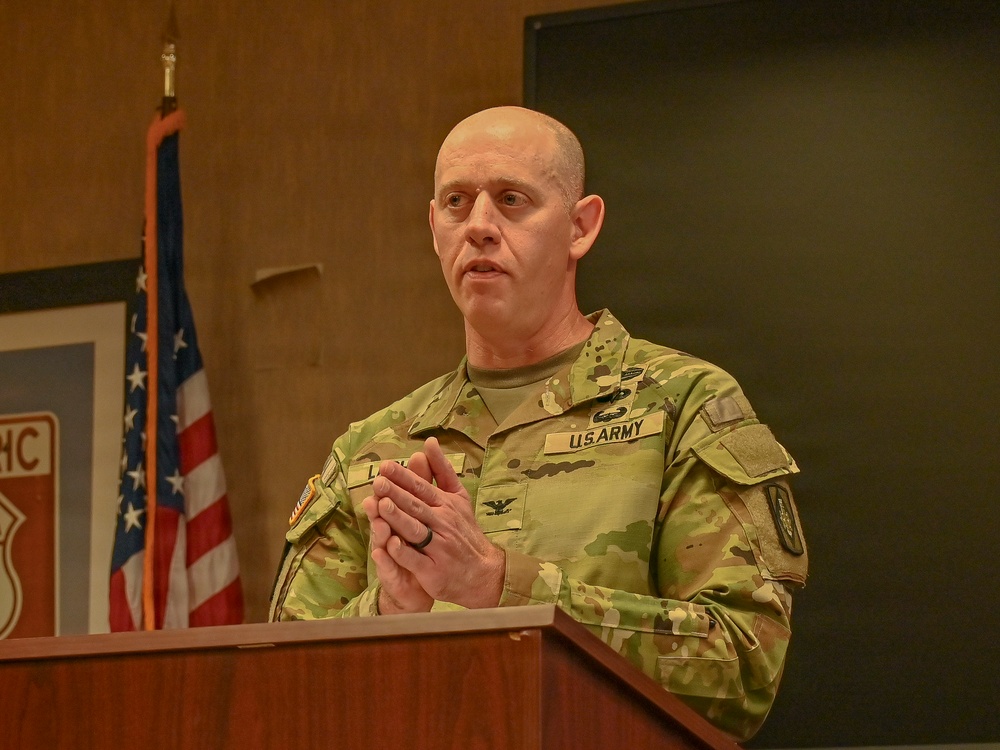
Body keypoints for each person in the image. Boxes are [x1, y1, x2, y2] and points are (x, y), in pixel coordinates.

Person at [269, 106, 808, 741]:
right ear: (434, 228)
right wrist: (387, 612)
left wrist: (501, 585)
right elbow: (278, 690)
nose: (479, 226)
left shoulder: (682, 406)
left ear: (581, 226)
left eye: (511, 199)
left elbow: (744, 667)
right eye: (457, 203)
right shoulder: (373, 448)